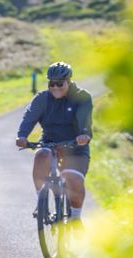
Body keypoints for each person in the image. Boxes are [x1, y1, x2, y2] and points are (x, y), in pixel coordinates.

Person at [16, 62, 93, 223]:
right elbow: (29, 118)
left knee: (72, 178)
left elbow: (85, 119)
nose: (55, 87)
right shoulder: (42, 99)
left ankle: (75, 218)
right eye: (52, 83)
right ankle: (41, 201)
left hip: (75, 146)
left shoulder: (81, 97)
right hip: (50, 142)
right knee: (41, 155)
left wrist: (84, 135)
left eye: (60, 84)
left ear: (69, 81)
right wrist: (22, 136)